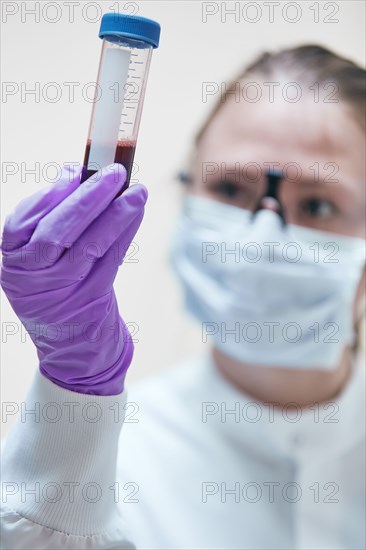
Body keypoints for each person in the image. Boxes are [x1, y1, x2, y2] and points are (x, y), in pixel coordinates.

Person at [1, 44, 365, 550]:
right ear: (185, 189)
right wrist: (76, 390)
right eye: (233, 190)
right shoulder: (101, 460)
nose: (261, 239)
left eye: (319, 203)